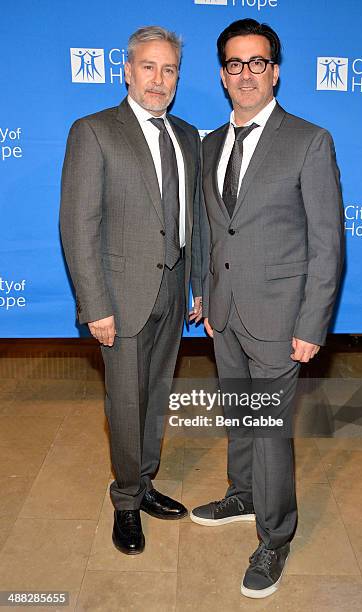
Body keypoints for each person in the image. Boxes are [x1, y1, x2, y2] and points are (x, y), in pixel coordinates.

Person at [191, 19, 344, 598]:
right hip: (225, 312)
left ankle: (275, 535)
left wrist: (312, 324)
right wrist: (205, 292)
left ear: (275, 71)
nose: (246, 74)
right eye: (235, 64)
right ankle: (244, 493)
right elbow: (212, 227)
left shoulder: (309, 140)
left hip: (282, 317)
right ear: (224, 76)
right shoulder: (209, 144)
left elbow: (328, 242)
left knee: (269, 428)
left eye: (258, 62)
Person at [60, 26, 203, 555]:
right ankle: (125, 500)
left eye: (169, 70)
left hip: (173, 292)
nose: (158, 79)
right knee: (124, 402)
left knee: (155, 396)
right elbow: (78, 226)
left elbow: (198, 223)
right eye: (148, 66)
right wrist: (94, 305)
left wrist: (199, 285)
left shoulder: (187, 136)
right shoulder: (94, 131)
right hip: (120, 297)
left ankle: (144, 482)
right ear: (126, 70)